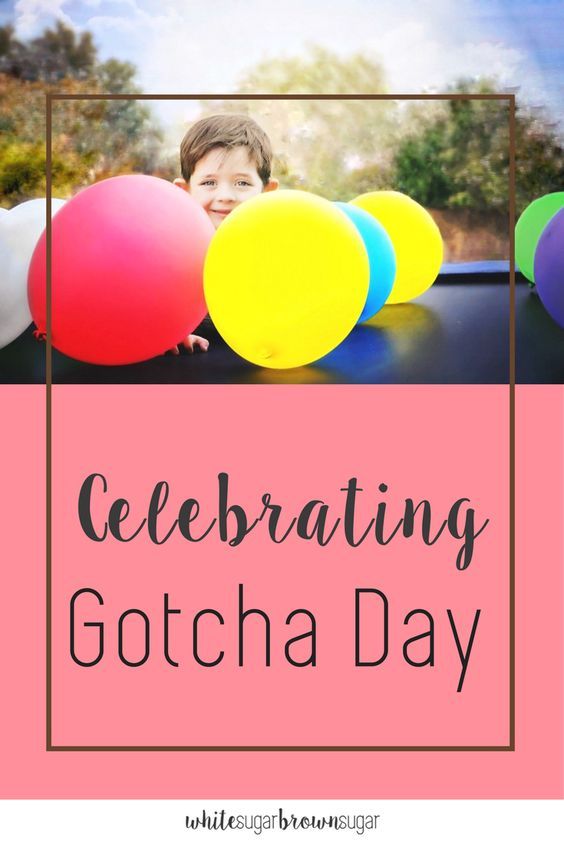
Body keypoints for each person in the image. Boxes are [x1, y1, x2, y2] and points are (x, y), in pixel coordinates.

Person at [171, 113, 278, 354]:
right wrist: (169, 331)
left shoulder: (275, 251)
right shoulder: (171, 251)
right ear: (184, 190)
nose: (226, 195)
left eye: (242, 183)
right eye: (209, 183)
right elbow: (141, 302)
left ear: (267, 192)